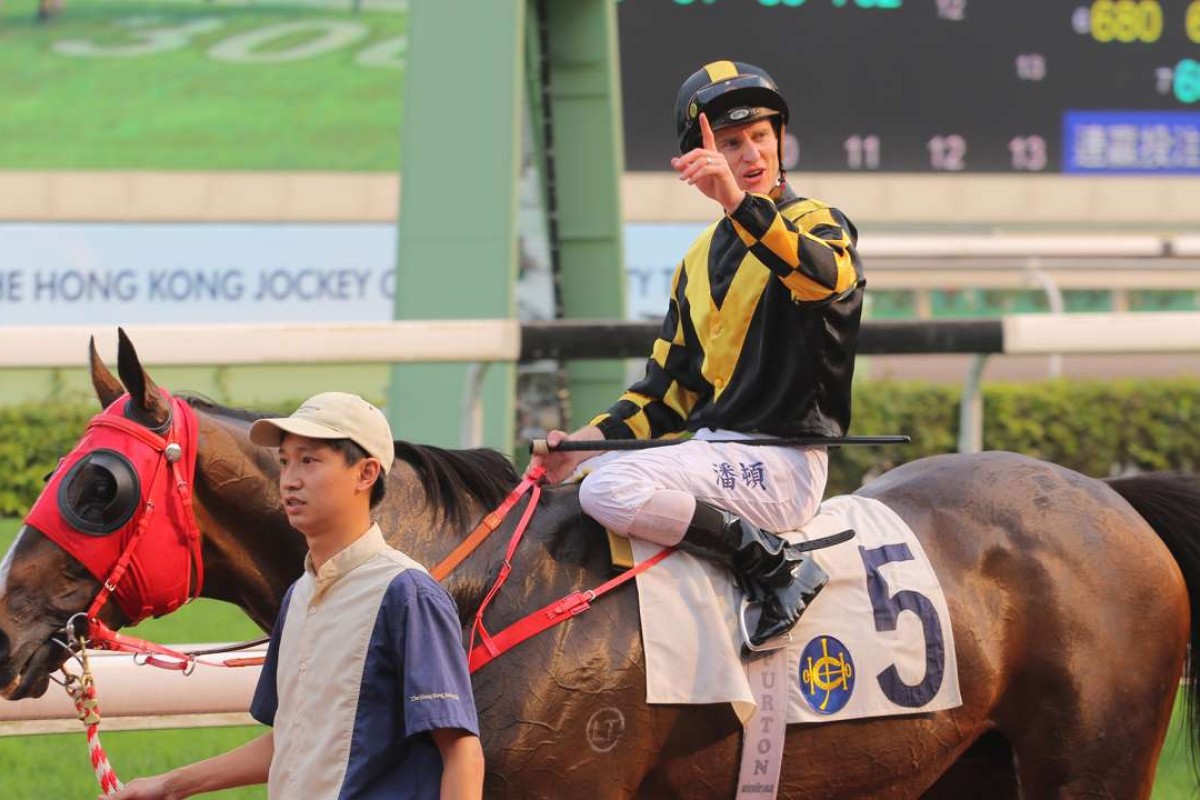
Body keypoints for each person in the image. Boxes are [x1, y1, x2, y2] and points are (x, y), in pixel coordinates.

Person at [535, 60, 865, 649]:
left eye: (760, 135)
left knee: (607, 490)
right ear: (696, 160)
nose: (751, 153)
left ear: (780, 138)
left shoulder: (818, 222)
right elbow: (665, 394)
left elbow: (825, 279)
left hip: (780, 463)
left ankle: (776, 566)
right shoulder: (694, 261)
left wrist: (740, 203)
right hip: (712, 455)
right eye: (732, 143)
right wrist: (581, 443)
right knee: (585, 476)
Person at [108, 392, 485, 800]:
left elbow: (462, 752)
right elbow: (291, 742)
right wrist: (168, 785)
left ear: (366, 473)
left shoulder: (407, 594)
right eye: (285, 461)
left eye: (310, 460)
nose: (289, 478)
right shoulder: (299, 596)